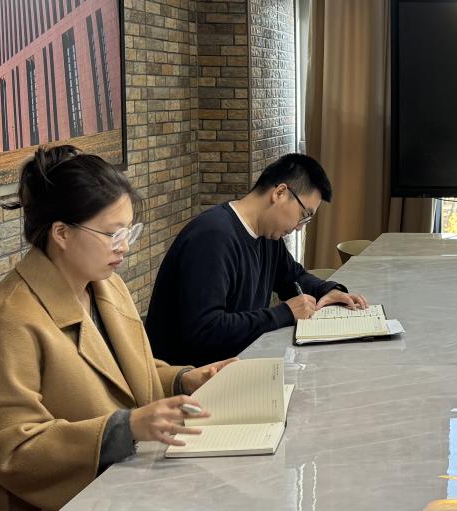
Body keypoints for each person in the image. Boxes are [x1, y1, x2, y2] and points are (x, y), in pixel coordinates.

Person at [0, 145, 234, 511]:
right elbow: (11, 446)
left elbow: (124, 371)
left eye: (129, 231)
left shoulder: (105, 286)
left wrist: (184, 380)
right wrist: (125, 428)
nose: (124, 246)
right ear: (61, 233)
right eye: (113, 234)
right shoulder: (8, 318)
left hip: (113, 485)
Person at [147, 153, 368, 366]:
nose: (299, 227)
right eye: (304, 215)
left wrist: (328, 290)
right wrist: (284, 313)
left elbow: (292, 277)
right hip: (192, 379)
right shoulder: (212, 237)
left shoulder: (267, 236)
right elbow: (206, 330)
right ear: (280, 193)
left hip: (235, 363)